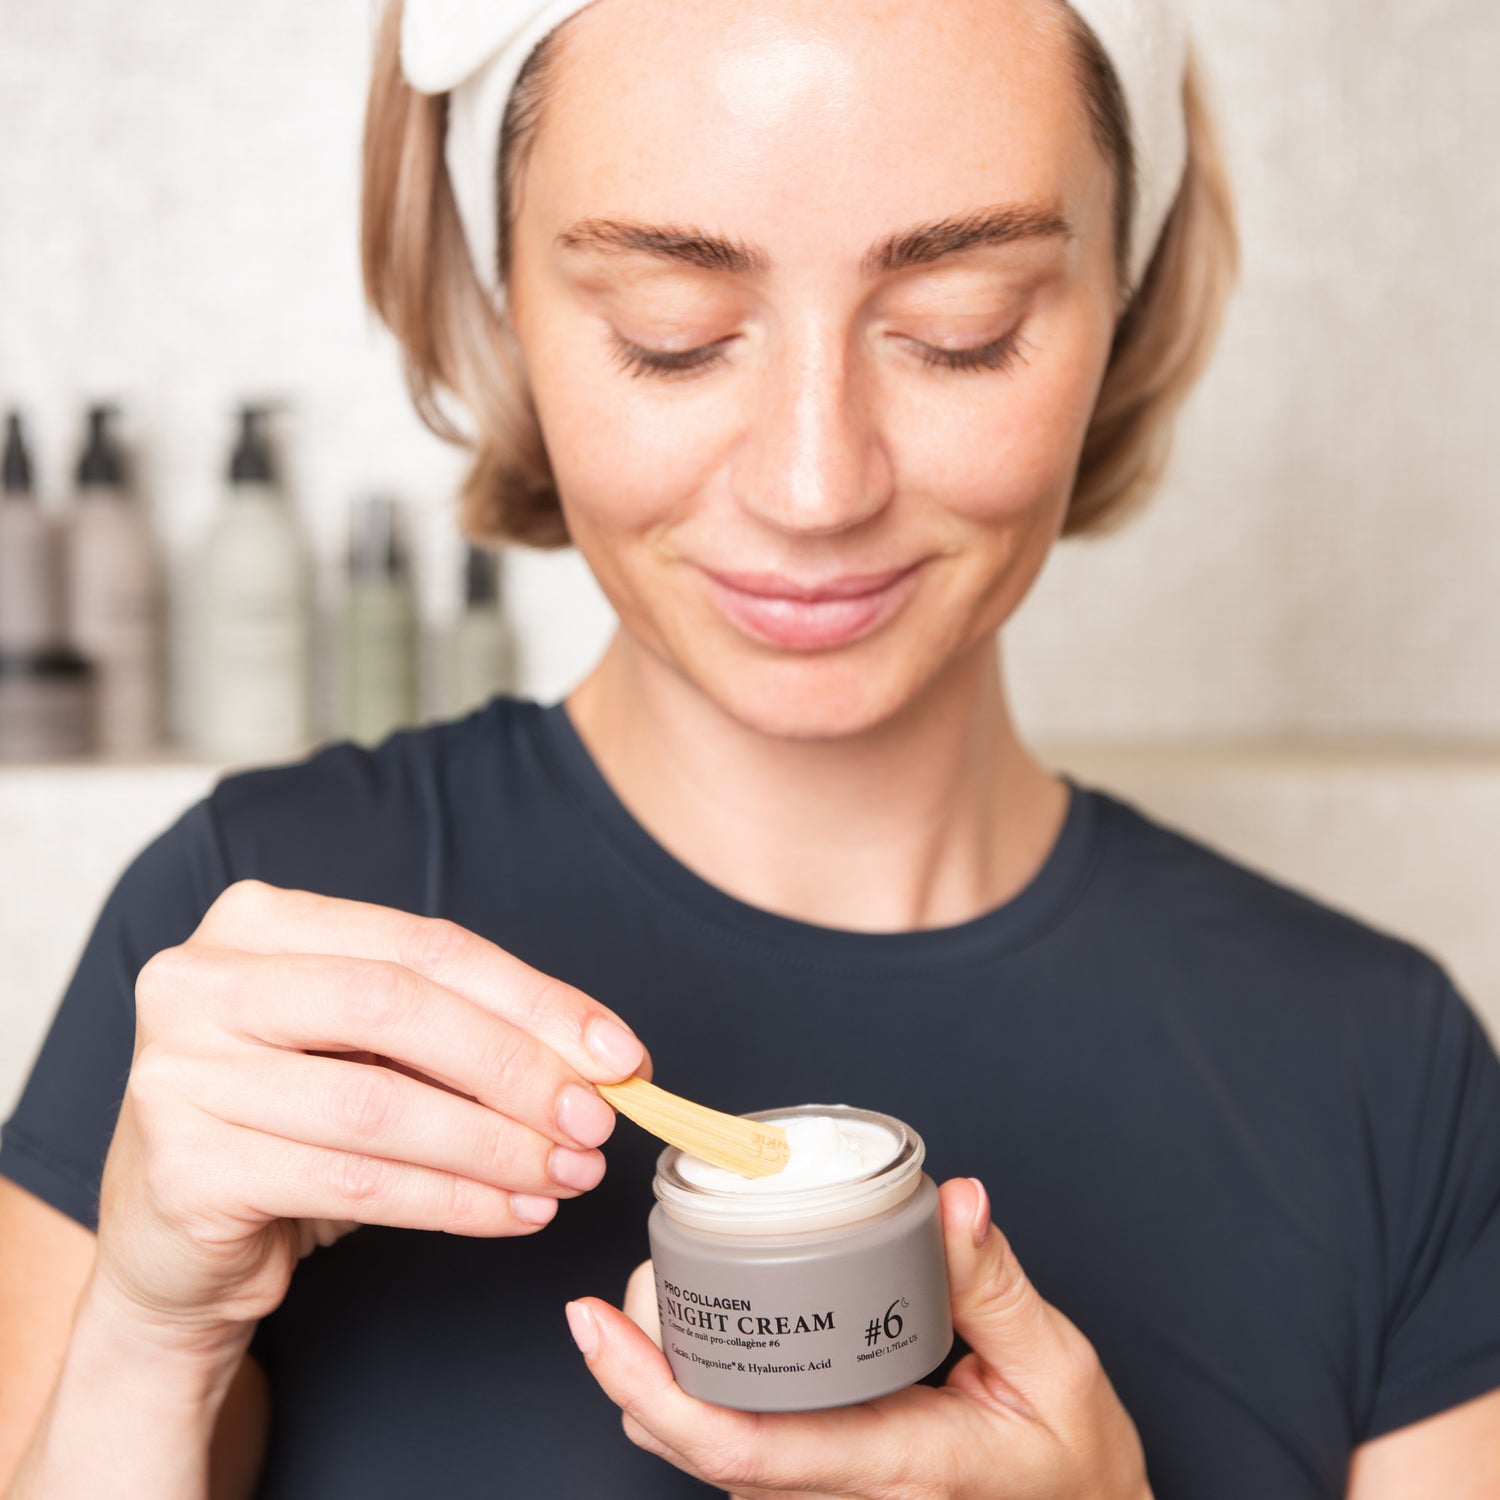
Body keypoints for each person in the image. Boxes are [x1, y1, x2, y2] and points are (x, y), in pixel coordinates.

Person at [2, 0, 1498, 1494]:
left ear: (1125, 293)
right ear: (501, 298)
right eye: (675, 338)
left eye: (959, 331)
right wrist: (147, 1345)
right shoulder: (253, 948)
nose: (812, 482)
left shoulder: (1385, 1072)